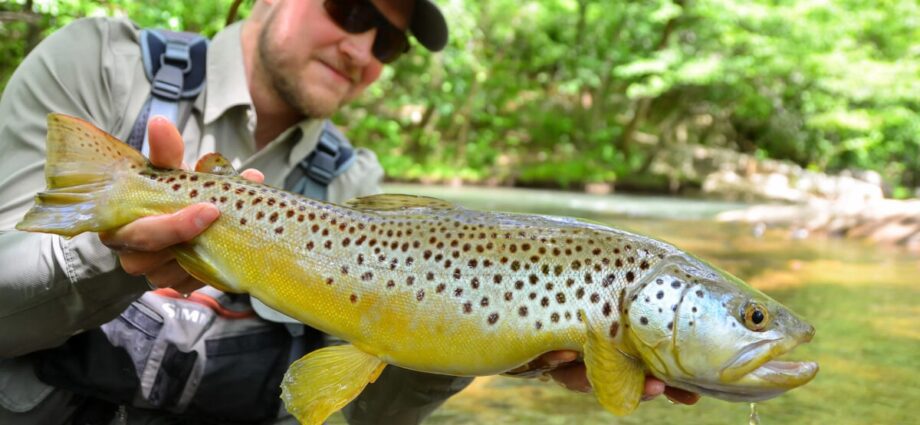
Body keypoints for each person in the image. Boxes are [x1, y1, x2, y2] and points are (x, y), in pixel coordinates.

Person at [0, 0, 698, 423]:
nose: (362, 50)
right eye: (350, 10)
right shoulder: (99, 67)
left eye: (386, 41)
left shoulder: (360, 184)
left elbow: (367, 417)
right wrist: (114, 257)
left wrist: (472, 343)